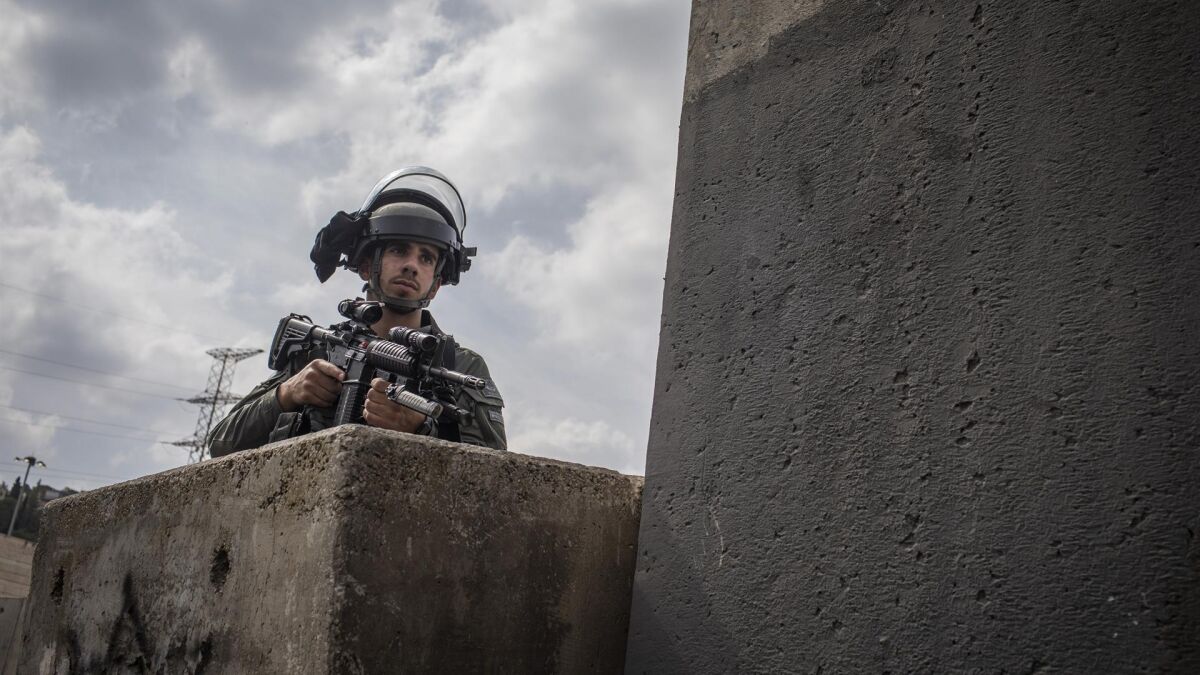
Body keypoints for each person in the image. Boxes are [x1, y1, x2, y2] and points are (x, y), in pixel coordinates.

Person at [208, 167, 506, 457]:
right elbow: (221, 444)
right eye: (399, 250)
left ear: (436, 285)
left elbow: (497, 469)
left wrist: (422, 430)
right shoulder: (322, 350)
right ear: (366, 267)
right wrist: (287, 394)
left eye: (426, 258)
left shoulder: (459, 367)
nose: (411, 265)